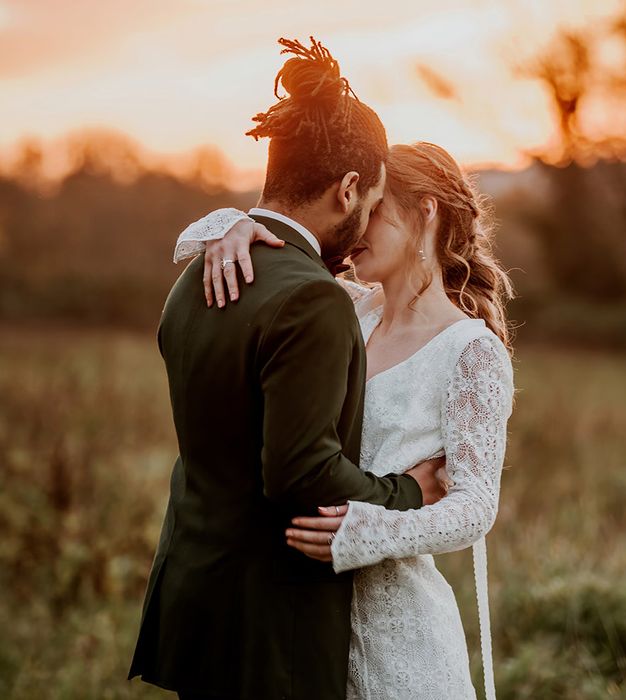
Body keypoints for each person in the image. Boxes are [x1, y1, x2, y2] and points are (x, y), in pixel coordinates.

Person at [127, 37, 448, 700]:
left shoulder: (198, 275)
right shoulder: (312, 301)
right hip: (272, 627)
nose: (362, 229)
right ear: (349, 187)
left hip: (195, 600)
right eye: (369, 203)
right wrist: (410, 493)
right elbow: (302, 474)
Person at [174, 141, 516, 699]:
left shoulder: (471, 352)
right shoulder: (345, 308)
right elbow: (235, 245)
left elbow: (475, 508)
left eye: (375, 208)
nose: (356, 223)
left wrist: (364, 531)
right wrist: (234, 229)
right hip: (296, 620)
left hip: (396, 634)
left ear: (425, 211)